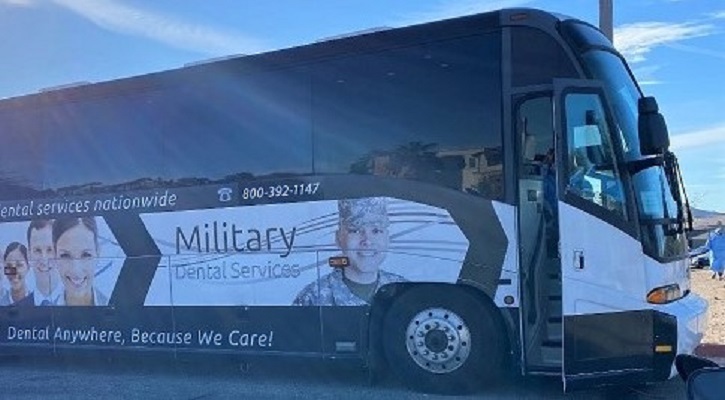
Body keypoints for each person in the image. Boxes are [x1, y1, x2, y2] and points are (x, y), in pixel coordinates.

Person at [293, 197, 406, 306]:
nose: (367, 241)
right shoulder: (312, 298)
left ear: (387, 238)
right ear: (338, 238)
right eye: (355, 230)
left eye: (376, 230)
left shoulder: (405, 291)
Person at [53, 216, 109, 306]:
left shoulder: (118, 308)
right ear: (54, 256)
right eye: (65, 255)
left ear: (98, 253)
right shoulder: (44, 312)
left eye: (86, 255)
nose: (76, 271)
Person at [27, 219, 61, 306]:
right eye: (37, 250)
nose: (44, 260)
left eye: (50, 250)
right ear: (29, 255)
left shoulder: (78, 304)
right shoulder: (17, 309)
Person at [2, 242, 34, 307]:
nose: (14, 272)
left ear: (28, 267)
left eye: (19, 265)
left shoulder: (37, 302)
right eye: (9, 265)